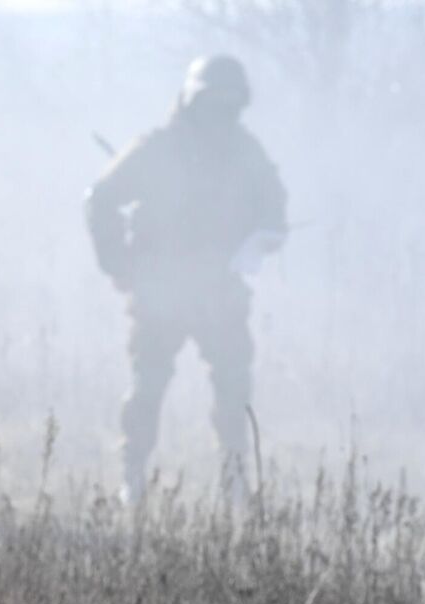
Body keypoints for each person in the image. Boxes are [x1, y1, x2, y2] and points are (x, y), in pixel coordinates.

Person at [85, 54, 288, 504]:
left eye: (229, 106)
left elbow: (275, 209)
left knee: (234, 389)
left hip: (221, 289)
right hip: (161, 290)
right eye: (212, 104)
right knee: (148, 388)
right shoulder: (156, 149)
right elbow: (100, 201)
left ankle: (236, 484)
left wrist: (264, 237)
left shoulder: (246, 153)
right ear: (193, 102)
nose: (221, 115)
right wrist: (120, 267)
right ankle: (132, 479)